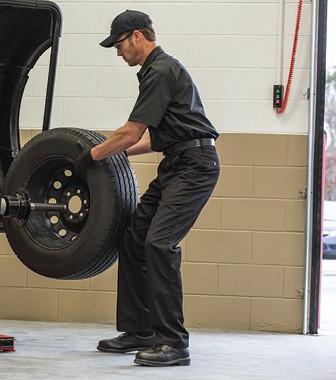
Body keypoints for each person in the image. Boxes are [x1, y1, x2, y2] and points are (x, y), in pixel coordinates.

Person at [76, 10, 220, 367]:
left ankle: (174, 342)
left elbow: (131, 132)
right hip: (176, 162)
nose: (117, 51)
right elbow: (154, 137)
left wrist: (90, 156)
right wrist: (111, 152)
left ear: (138, 36)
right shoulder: (158, 71)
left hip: (195, 166)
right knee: (134, 237)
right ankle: (139, 330)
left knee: (159, 242)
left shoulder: (160, 70)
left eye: (119, 44)